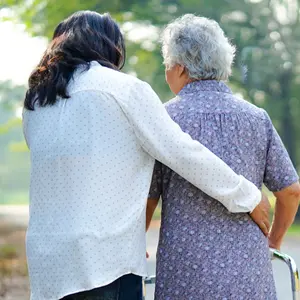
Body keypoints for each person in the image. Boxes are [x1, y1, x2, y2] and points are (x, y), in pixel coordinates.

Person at [23, 11, 270, 300]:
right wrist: (247, 196)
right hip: (102, 261)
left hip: (46, 260)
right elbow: (183, 152)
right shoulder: (123, 89)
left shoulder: (37, 99)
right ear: (108, 46)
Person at [147, 14, 300, 300]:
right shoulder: (257, 118)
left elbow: (147, 198)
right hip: (249, 277)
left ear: (180, 68)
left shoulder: (162, 121)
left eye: (167, 64)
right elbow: (290, 191)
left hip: (184, 278)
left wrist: (135, 242)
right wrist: (274, 240)